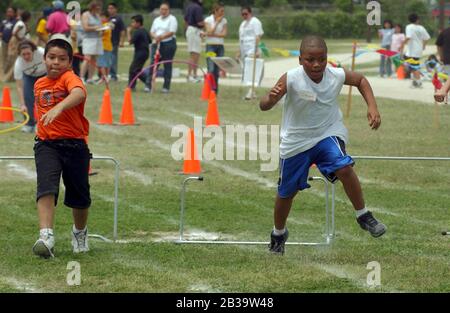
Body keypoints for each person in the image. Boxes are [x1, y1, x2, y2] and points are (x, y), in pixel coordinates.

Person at [259, 35, 385, 255]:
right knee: (286, 193)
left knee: (344, 167)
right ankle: (278, 234)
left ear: (327, 59)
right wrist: (270, 99)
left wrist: (372, 107)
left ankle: (364, 215)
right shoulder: (291, 78)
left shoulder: (335, 75)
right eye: (310, 60)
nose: (316, 65)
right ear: (300, 60)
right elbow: (264, 106)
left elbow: (361, 80)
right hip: (296, 141)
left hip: (328, 133)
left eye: (321, 59)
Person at [32, 34, 91, 258]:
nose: (56, 62)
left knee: (79, 195)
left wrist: (59, 108)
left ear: (69, 63)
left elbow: (79, 93)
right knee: (46, 187)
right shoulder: (39, 83)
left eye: (62, 59)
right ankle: (46, 236)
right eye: (51, 57)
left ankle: (79, 232)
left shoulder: (70, 78)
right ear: (44, 58)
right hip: (47, 145)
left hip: (75, 144)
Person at [14, 40, 47, 133]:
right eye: (23, 54)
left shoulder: (41, 52)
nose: (26, 56)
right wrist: (22, 104)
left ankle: (44, 124)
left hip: (45, 74)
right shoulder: (18, 63)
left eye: (28, 53)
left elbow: (53, 64)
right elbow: (19, 86)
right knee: (28, 97)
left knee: (45, 98)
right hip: (29, 76)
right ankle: (29, 124)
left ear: (33, 51)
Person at [145, 1, 178, 94]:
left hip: (168, 43)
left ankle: (166, 87)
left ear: (168, 10)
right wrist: (155, 37)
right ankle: (148, 85)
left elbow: (172, 32)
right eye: (162, 9)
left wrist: (162, 37)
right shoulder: (156, 20)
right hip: (156, 43)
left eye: (165, 9)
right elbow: (152, 31)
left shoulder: (172, 19)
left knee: (167, 65)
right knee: (153, 64)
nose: (163, 11)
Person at [238, 6, 264, 100]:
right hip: (244, 50)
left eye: (246, 14)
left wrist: (257, 50)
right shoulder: (242, 24)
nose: (244, 16)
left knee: (253, 71)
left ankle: (251, 91)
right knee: (247, 72)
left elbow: (258, 36)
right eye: (242, 14)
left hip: (253, 50)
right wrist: (239, 51)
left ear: (250, 13)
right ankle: (251, 91)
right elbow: (241, 39)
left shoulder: (255, 21)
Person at [401, 13, 430, 88]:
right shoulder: (421, 28)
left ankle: (418, 82)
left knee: (413, 66)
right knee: (413, 66)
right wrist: (423, 45)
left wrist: (402, 44)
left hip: (412, 51)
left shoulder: (409, 27)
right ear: (417, 19)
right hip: (417, 50)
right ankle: (415, 81)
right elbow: (427, 38)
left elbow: (408, 37)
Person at [204, 2, 227, 94]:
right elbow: (209, 31)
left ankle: (215, 91)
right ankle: (209, 89)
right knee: (211, 68)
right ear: (215, 11)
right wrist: (217, 22)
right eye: (221, 11)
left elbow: (224, 34)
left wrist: (212, 34)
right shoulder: (208, 20)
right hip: (210, 46)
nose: (223, 13)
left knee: (217, 70)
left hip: (220, 47)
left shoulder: (224, 21)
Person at [80, 1, 103, 84]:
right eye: (98, 7)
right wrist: (96, 28)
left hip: (97, 39)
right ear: (93, 7)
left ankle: (90, 78)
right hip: (88, 39)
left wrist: (103, 29)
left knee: (94, 60)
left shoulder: (98, 16)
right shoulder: (86, 15)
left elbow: (100, 26)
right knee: (87, 58)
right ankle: (82, 78)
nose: (99, 8)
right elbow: (85, 27)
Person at [5, 10, 32, 81]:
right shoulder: (21, 24)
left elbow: (22, 32)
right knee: (13, 58)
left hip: (16, 41)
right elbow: (14, 33)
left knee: (14, 58)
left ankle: (11, 76)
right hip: (15, 41)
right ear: (28, 18)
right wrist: (19, 39)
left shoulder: (22, 23)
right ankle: (9, 77)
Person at [127, 14, 151, 91]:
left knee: (133, 70)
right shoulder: (145, 30)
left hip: (140, 53)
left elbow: (130, 41)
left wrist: (128, 32)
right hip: (145, 53)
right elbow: (150, 41)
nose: (132, 24)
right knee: (136, 69)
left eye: (133, 22)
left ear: (138, 23)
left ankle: (147, 81)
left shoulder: (138, 32)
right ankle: (132, 86)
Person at [184, 0, 204, 83]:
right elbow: (199, 23)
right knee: (193, 54)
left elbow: (185, 20)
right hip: (195, 30)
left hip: (191, 30)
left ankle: (195, 75)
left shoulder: (189, 6)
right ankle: (189, 75)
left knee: (196, 54)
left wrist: (186, 31)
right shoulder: (198, 7)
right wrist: (207, 24)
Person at [107, 3, 126, 82]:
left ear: (115, 9)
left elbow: (122, 30)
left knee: (113, 58)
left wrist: (121, 41)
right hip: (105, 42)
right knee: (105, 59)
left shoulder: (118, 18)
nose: (110, 10)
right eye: (109, 8)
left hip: (114, 42)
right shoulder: (107, 18)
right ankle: (104, 75)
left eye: (112, 8)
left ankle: (113, 75)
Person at [0, 6, 18, 81]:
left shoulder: (16, 22)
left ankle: (11, 76)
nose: (9, 13)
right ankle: (4, 75)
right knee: (3, 58)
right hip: (4, 42)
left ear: (14, 13)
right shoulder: (4, 22)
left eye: (10, 12)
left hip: (12, 43)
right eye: (8, 12)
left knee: (11, 58)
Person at [97, 12, 114, 83]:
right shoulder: (107, 25)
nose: (101, 19)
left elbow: (101, 33)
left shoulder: (105, 25)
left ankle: (104, 77)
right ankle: (106, 77)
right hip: (107, 46)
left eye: (102, 17)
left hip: (104, 46)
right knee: (106, 63)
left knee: (102, 63)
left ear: (107, 18)